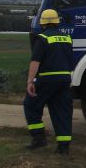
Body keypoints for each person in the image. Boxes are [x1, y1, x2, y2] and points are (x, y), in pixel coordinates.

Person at [24, 9, 74, 154]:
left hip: (46, 79)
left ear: (43, 23)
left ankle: (39, 138)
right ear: (57, 22)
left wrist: (30, 82)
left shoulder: (42, 38)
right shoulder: (67, 38)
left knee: (31, 105)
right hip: (64, 80)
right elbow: (71, 61)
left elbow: (35, 61)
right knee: (62, 111)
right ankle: (63, 148)